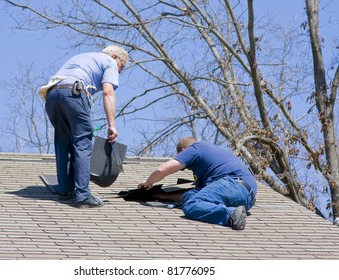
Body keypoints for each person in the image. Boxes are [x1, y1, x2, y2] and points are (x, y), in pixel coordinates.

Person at [43, 45, 129, 208]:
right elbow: (108, 92)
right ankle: (82, 195)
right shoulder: (110, 61)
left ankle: (65, 190)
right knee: (82, 145)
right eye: (121, 67)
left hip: (52, 95)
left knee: (63, 143)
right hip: (74, 94)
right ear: (116, 57)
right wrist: (112, 125)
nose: (119, 72)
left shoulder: (83, 57)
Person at [138, 137, 257, 230]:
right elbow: (196, 194)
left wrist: (147, 182)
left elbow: (163, 169)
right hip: (245, 197)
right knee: (191, 196)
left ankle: (230, 214)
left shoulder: (196, 148)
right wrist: (164, 196)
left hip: (233, 184)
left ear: (184, 151)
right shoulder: (211, 159)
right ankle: (235, 212)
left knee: (191, 204)